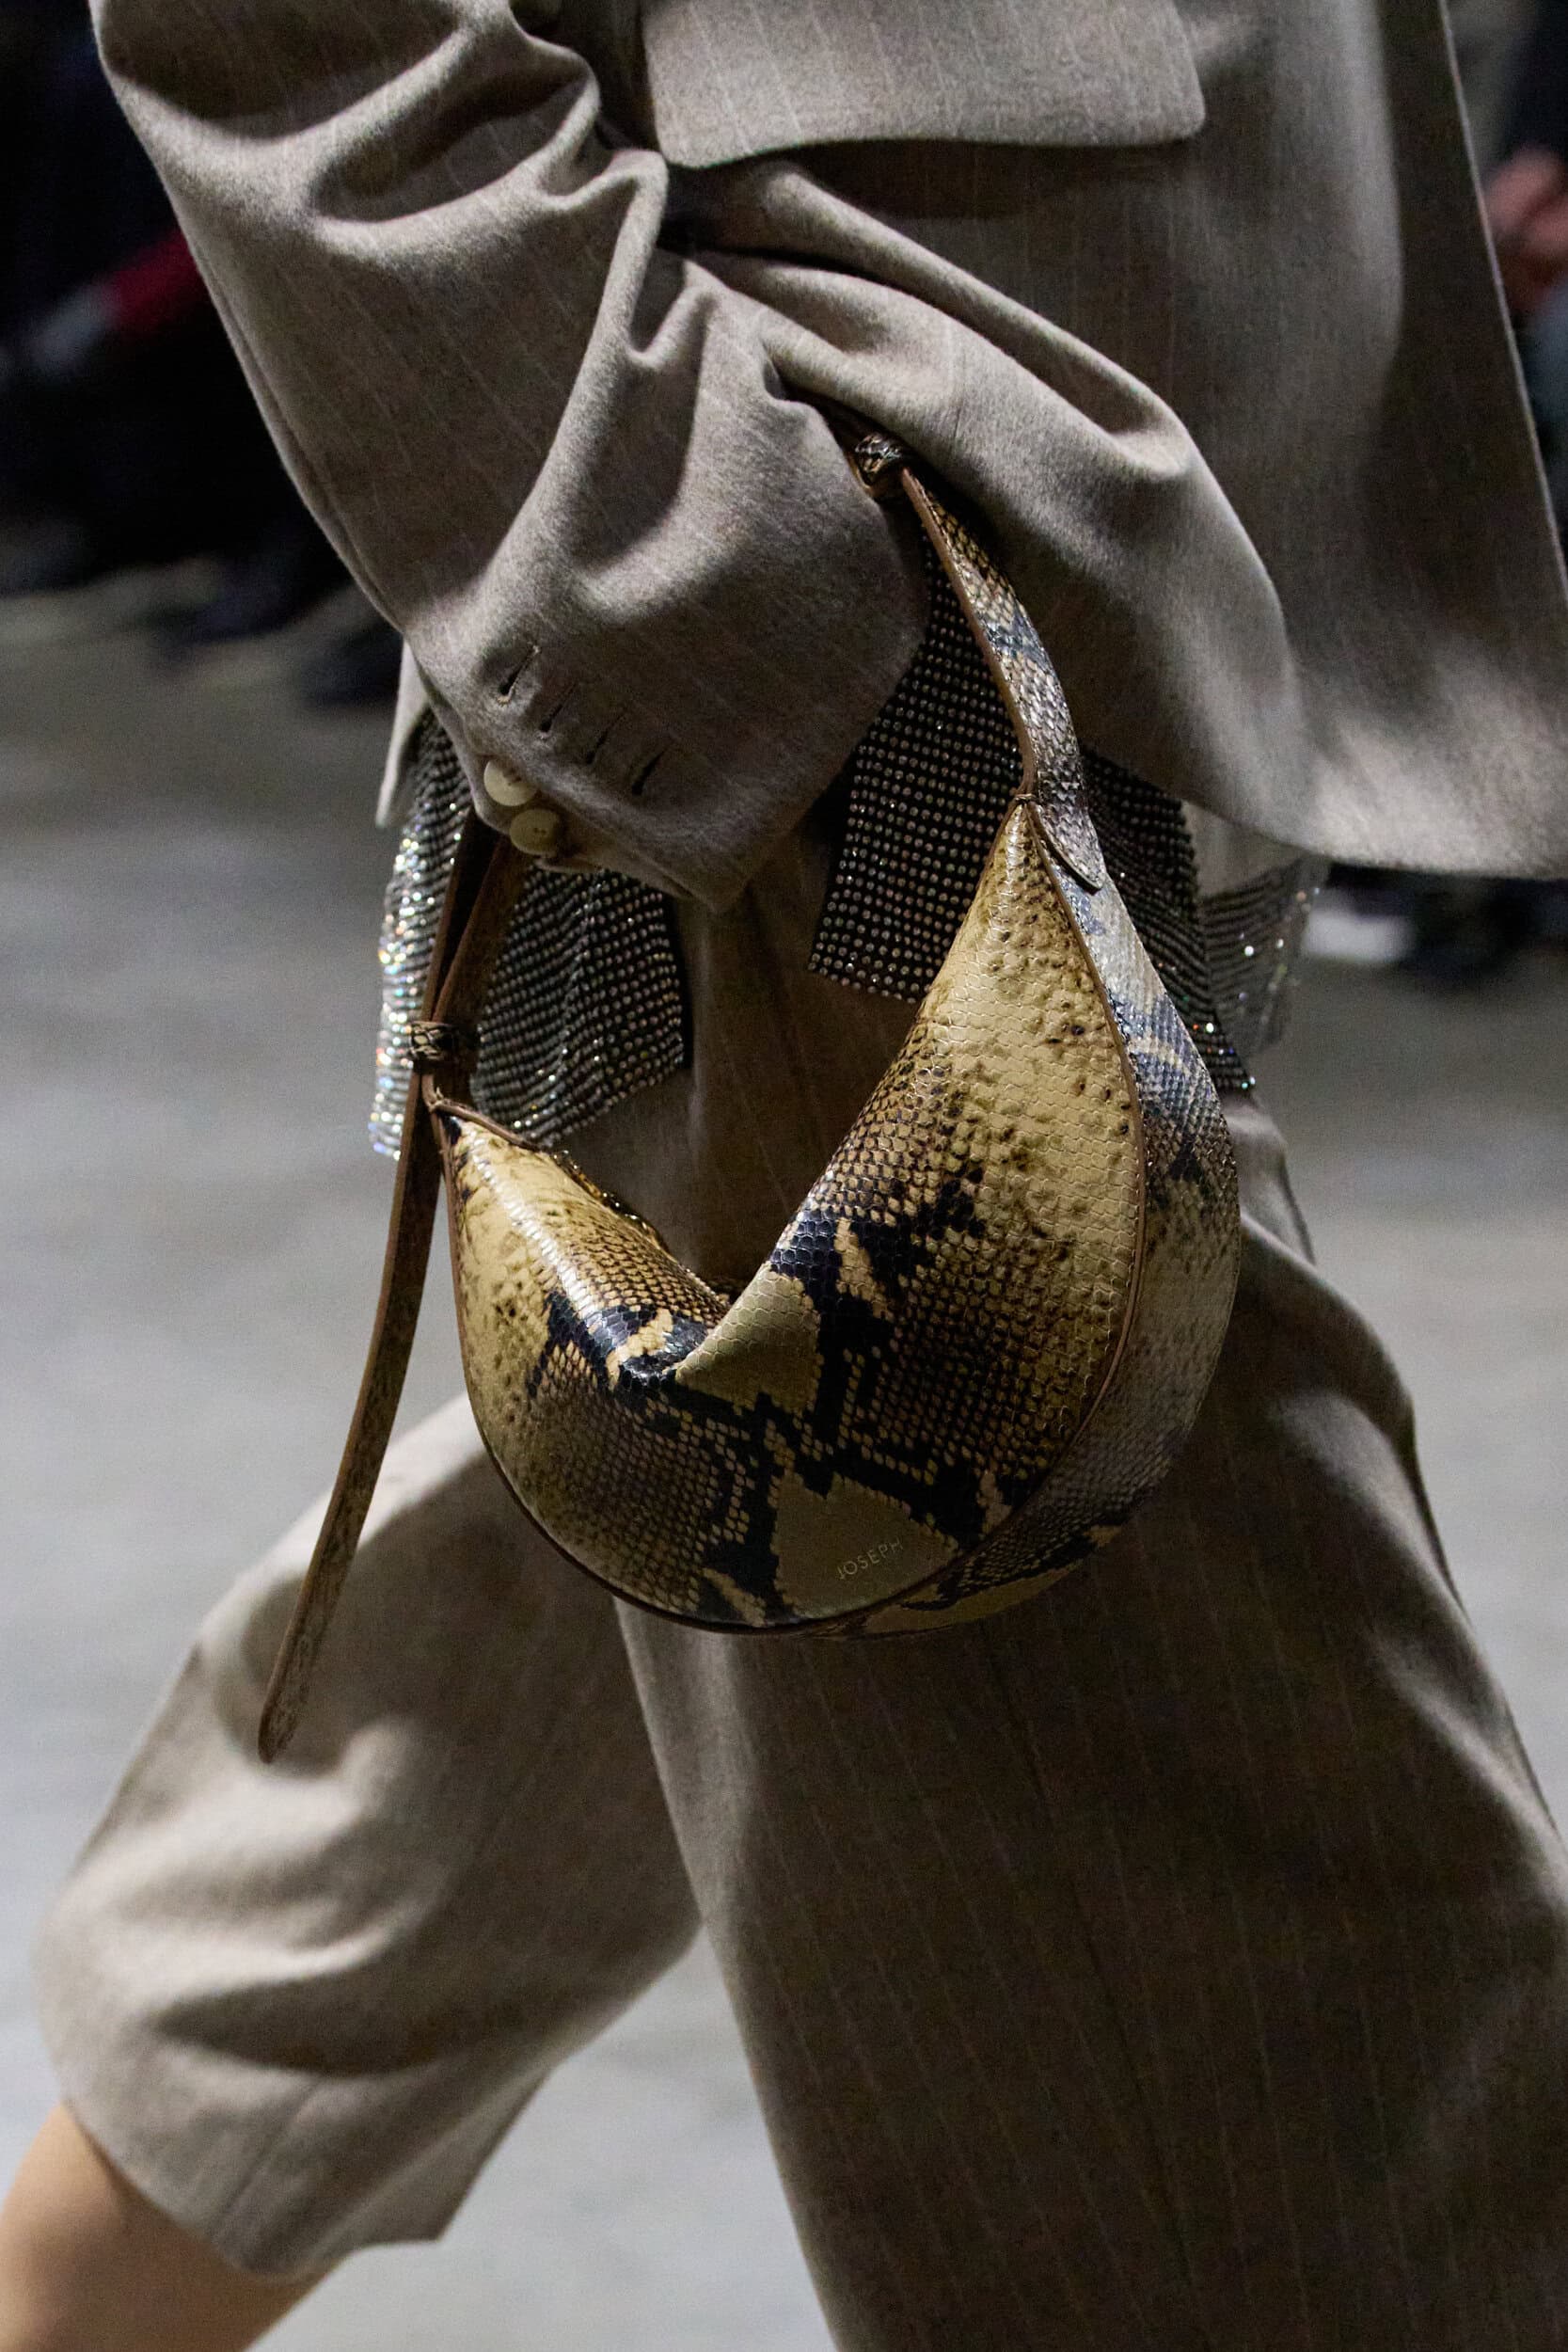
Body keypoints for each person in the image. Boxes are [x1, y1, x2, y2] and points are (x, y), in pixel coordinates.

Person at [4, 5, 1568, 2349]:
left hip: (1120, 623)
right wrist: (731, 615)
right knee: (1305, 2137)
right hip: (866, 715)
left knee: (572, 1651)